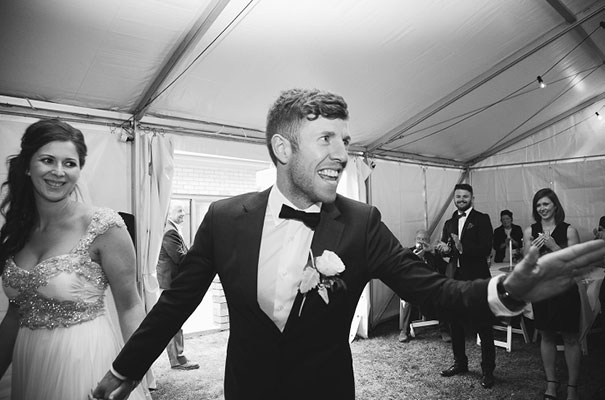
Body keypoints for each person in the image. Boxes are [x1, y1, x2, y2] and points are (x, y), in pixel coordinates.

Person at [92, 89, 605, 400]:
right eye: (327, 139)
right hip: (248, 389)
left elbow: (433, 291)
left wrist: (505, 291)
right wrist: (125, 367)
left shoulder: (361, 223)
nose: (342, 153)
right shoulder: (225, 219)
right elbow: (176, 303)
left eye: (345, 139)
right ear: (282, 148)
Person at [0, 119, 148, 400]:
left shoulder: (103, 226)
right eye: (47, 160)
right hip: (30, 365)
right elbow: (13, 315)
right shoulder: (17, 230)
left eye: (69, 163)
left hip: (84, 362)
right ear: (28, 166)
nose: (59, 172)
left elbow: (130, 306)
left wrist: (132, 371)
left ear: (79, 170)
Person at [435, 183, 496, 389]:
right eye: (458, 196)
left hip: (477, 279)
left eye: (465, 196)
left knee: (483, 326)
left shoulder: (482, 219)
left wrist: (463, 248)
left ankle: (488, 370)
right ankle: (460, 363)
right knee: (455, 323)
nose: (461, 199)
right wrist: (444, 250)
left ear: (472, 198)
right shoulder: (450, 222)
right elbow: (448, 250)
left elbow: (486, 248)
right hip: (455, 280)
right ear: (454, 198)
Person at [523, 188, 581, 400]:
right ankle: (551, 383)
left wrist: (554, 246)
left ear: (555, 206)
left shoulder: (569, 230)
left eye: (546, 204)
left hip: (565, 290)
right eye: (538, 205)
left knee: (570, 338)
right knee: (546, 335)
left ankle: (572, 387)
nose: (542, 208)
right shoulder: (530, 231)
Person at [156, 203, 199, 370]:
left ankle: (178, 358)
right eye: (179, 210)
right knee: (173, 322)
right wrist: (198, 256)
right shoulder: (170, 231)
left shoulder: (172, 229)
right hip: (170, 283)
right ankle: (178, 360)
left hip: (169, 282)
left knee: (174, 321)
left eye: (184, 210)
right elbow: (180, 258)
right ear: (169, 213)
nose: (184, 213)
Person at [399, 229, 451, 343]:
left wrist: (432, 253)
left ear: (428, 241)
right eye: (419, 239)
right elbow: (402, 270)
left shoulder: (431, 253)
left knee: (442, 296)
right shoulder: (408, 252)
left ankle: (444, 330)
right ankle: (404, 331)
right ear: (415, 240)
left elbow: (444, 267)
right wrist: (414, 258)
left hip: (430, 287)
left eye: (424, 239)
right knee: (408, 296)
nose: (421, 241)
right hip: (414, 287)